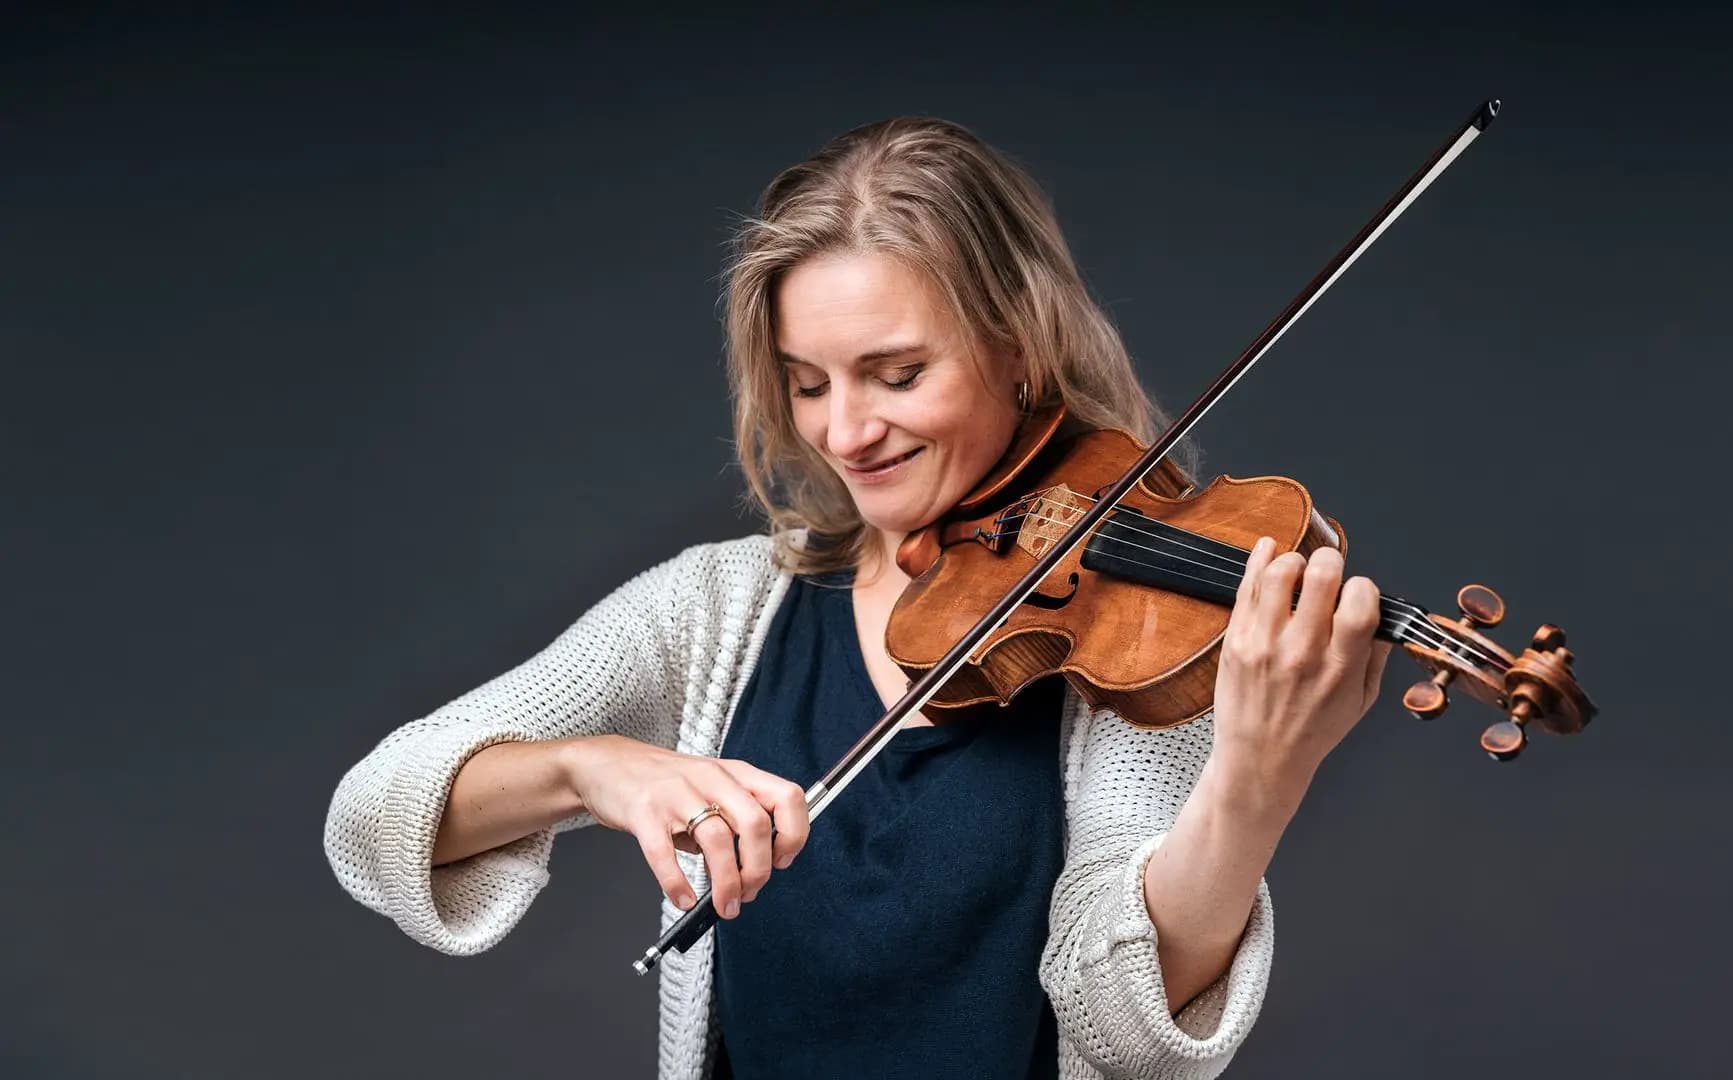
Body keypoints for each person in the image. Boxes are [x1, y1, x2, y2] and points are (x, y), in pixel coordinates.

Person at [323, 116, 1390, 1080]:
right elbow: (374, 816)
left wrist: (1257, 774)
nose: (844, 433)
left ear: (1018, 346)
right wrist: (587, 767)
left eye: (896, 373)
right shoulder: (719, 610)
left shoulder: (1127, 639)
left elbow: (1124, 1035)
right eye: (808, 382)